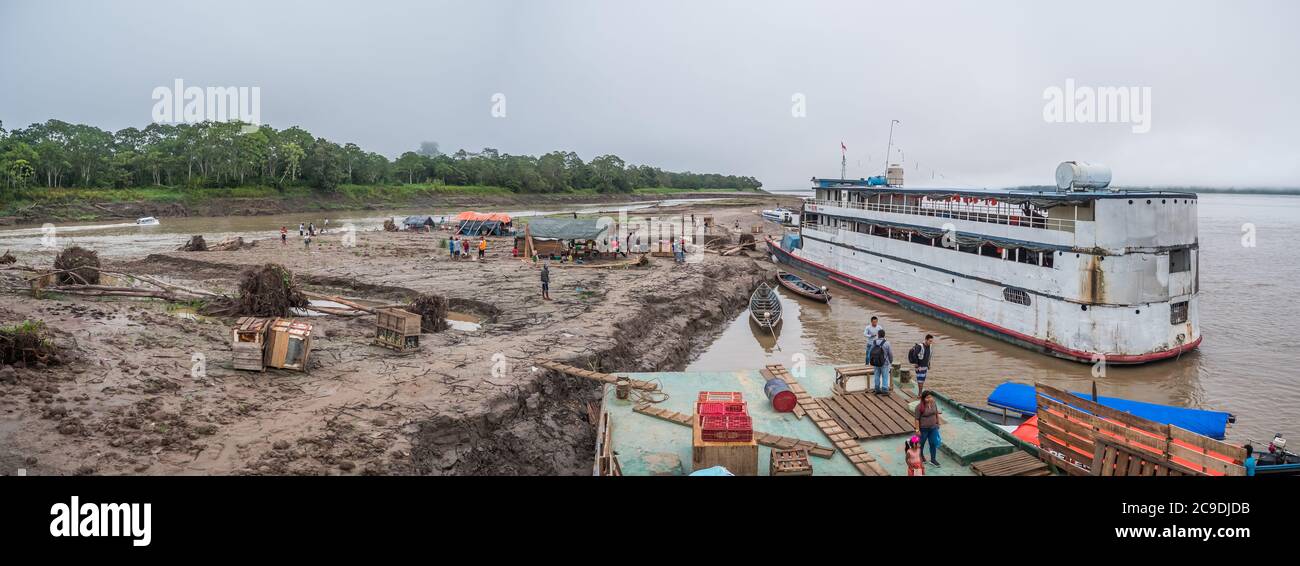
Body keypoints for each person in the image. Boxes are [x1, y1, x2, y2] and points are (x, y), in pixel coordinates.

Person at [915, 390, 942, 467]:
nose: (929, 399)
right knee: (922, 443)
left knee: (933, 443)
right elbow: (917, 419)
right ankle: (921, 456)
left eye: (930, 397)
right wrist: (917, 430)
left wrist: (938, 422)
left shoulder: (934, 403)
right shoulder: (919, 407)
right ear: (923, 399)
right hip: (923, 429)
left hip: (933, 428)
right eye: (927, 397)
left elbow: (936, 413)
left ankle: (933, 460)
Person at [868, 329, 892, 393]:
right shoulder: (887, 343)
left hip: (876, 362)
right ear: (884, 335)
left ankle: (877, 389)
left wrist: (870, 360)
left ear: (878, 335)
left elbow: (870, 352)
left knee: (877, 375)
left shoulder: (874, 342)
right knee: (885, 376)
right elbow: (890, 354)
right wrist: (891, 361)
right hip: (885, 363)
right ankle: (884, 390)